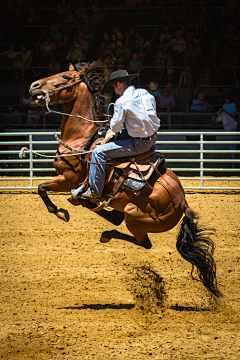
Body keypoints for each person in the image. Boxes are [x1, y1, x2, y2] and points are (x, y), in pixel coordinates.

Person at [72, 69, 160, 201]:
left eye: (114, 87)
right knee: (118, 135)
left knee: (98, 153)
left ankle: (94, 192)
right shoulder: (144, 93)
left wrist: (112, 126)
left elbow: (115, 126)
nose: (114, 90)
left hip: (138, 143)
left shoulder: (122, 101)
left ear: (119, 84)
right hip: (152, 137)